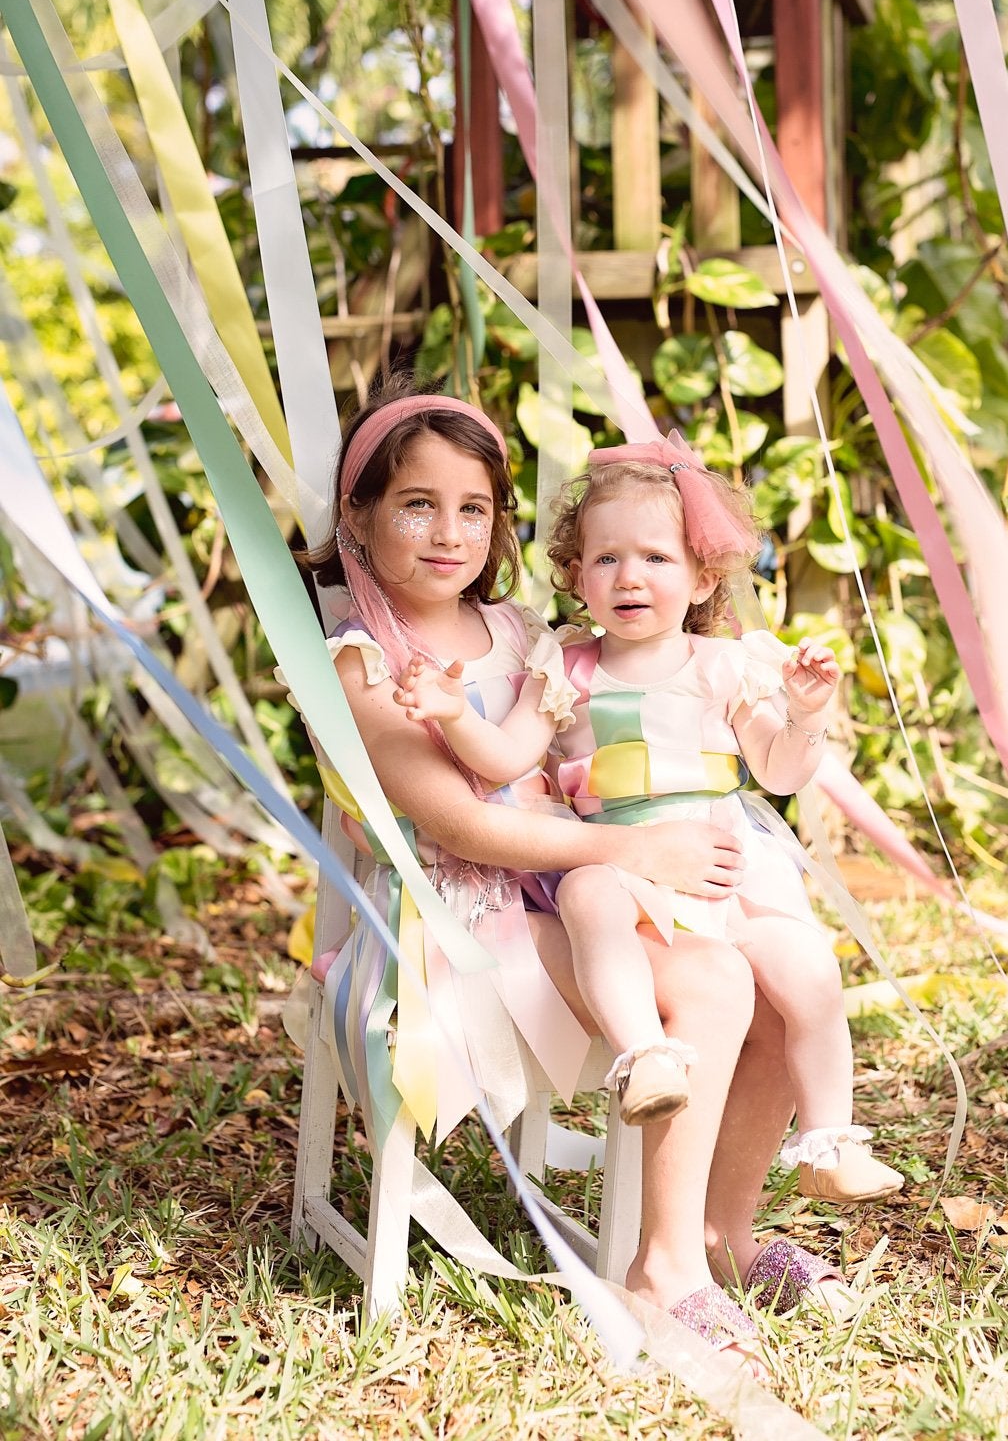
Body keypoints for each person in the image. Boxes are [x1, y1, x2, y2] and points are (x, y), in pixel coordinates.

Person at [295, 385, 854, 1369]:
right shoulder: (362, 663)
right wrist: (631, 851)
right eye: (417, 504)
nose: (449, 533)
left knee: (771, 979)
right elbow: (466, 824)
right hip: (455, 915)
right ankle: (664, 1269)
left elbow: (564, 753)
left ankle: (724, 1233)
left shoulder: (517, 630)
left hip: (554, 889)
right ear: (360, 514)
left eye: (473, 508)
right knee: (716, 980)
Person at [397, 433, 903, 1203]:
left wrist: (806, 715)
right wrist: (453, 716)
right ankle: (646, 1056)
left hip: (725, 866)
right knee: (585, 896)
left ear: (703, 578)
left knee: (811, 971)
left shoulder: (726, 666)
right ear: (576, 576)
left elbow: (778, 772)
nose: (629, 577)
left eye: (657, 558)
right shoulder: (565, 669)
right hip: (624, 862)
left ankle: (830, 1142)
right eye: (606, 559)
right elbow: (503, 759)